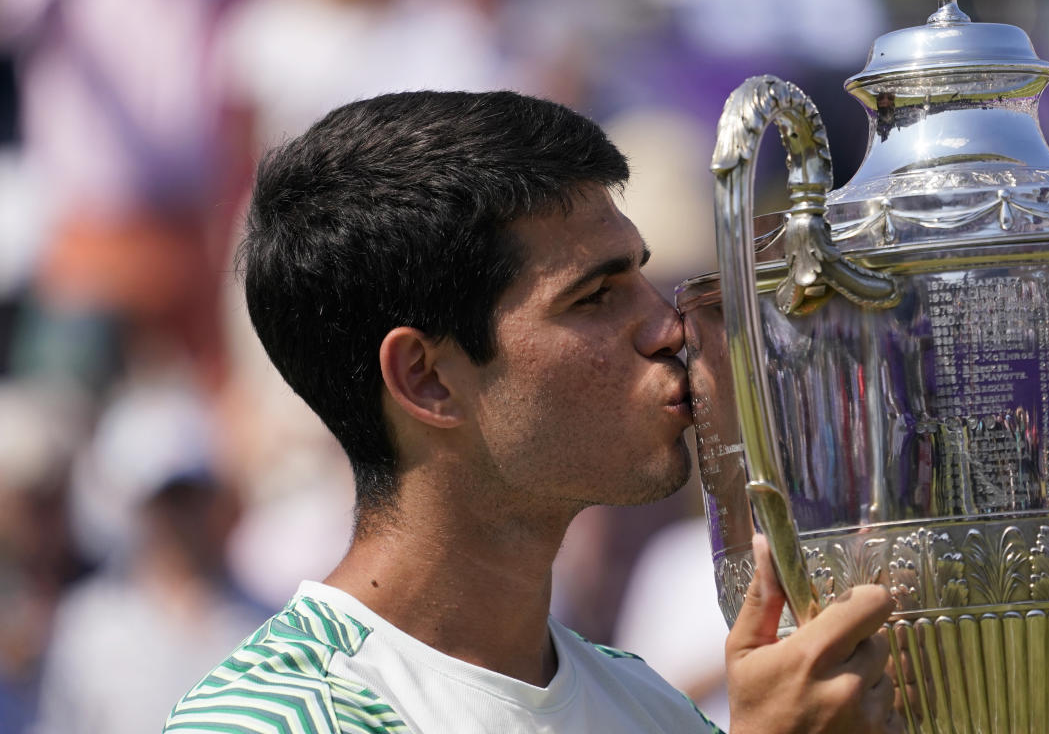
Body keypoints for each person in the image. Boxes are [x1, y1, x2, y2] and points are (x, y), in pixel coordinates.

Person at [163, 91, 899, 733]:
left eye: (641, 277)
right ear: (427, 379)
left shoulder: (647, 704)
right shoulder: (268, 719)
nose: (668, 326)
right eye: (595, 297)